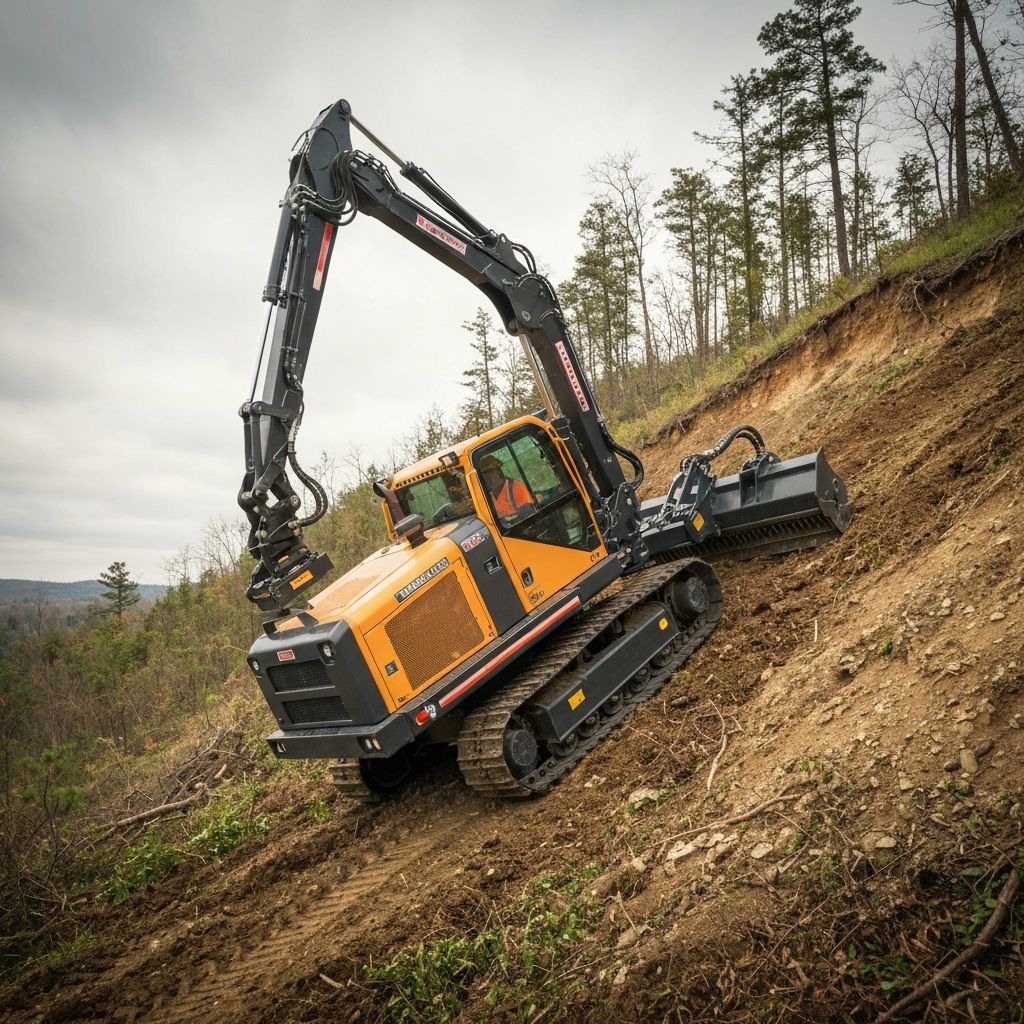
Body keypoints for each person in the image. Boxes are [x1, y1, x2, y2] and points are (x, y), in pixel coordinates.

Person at [479, 454, 533, 522]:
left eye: (489, 473)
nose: (487, 478)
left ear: (498, 471)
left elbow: (530, 514)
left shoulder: (516, 487)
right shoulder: (488, 495)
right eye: (484, 476)